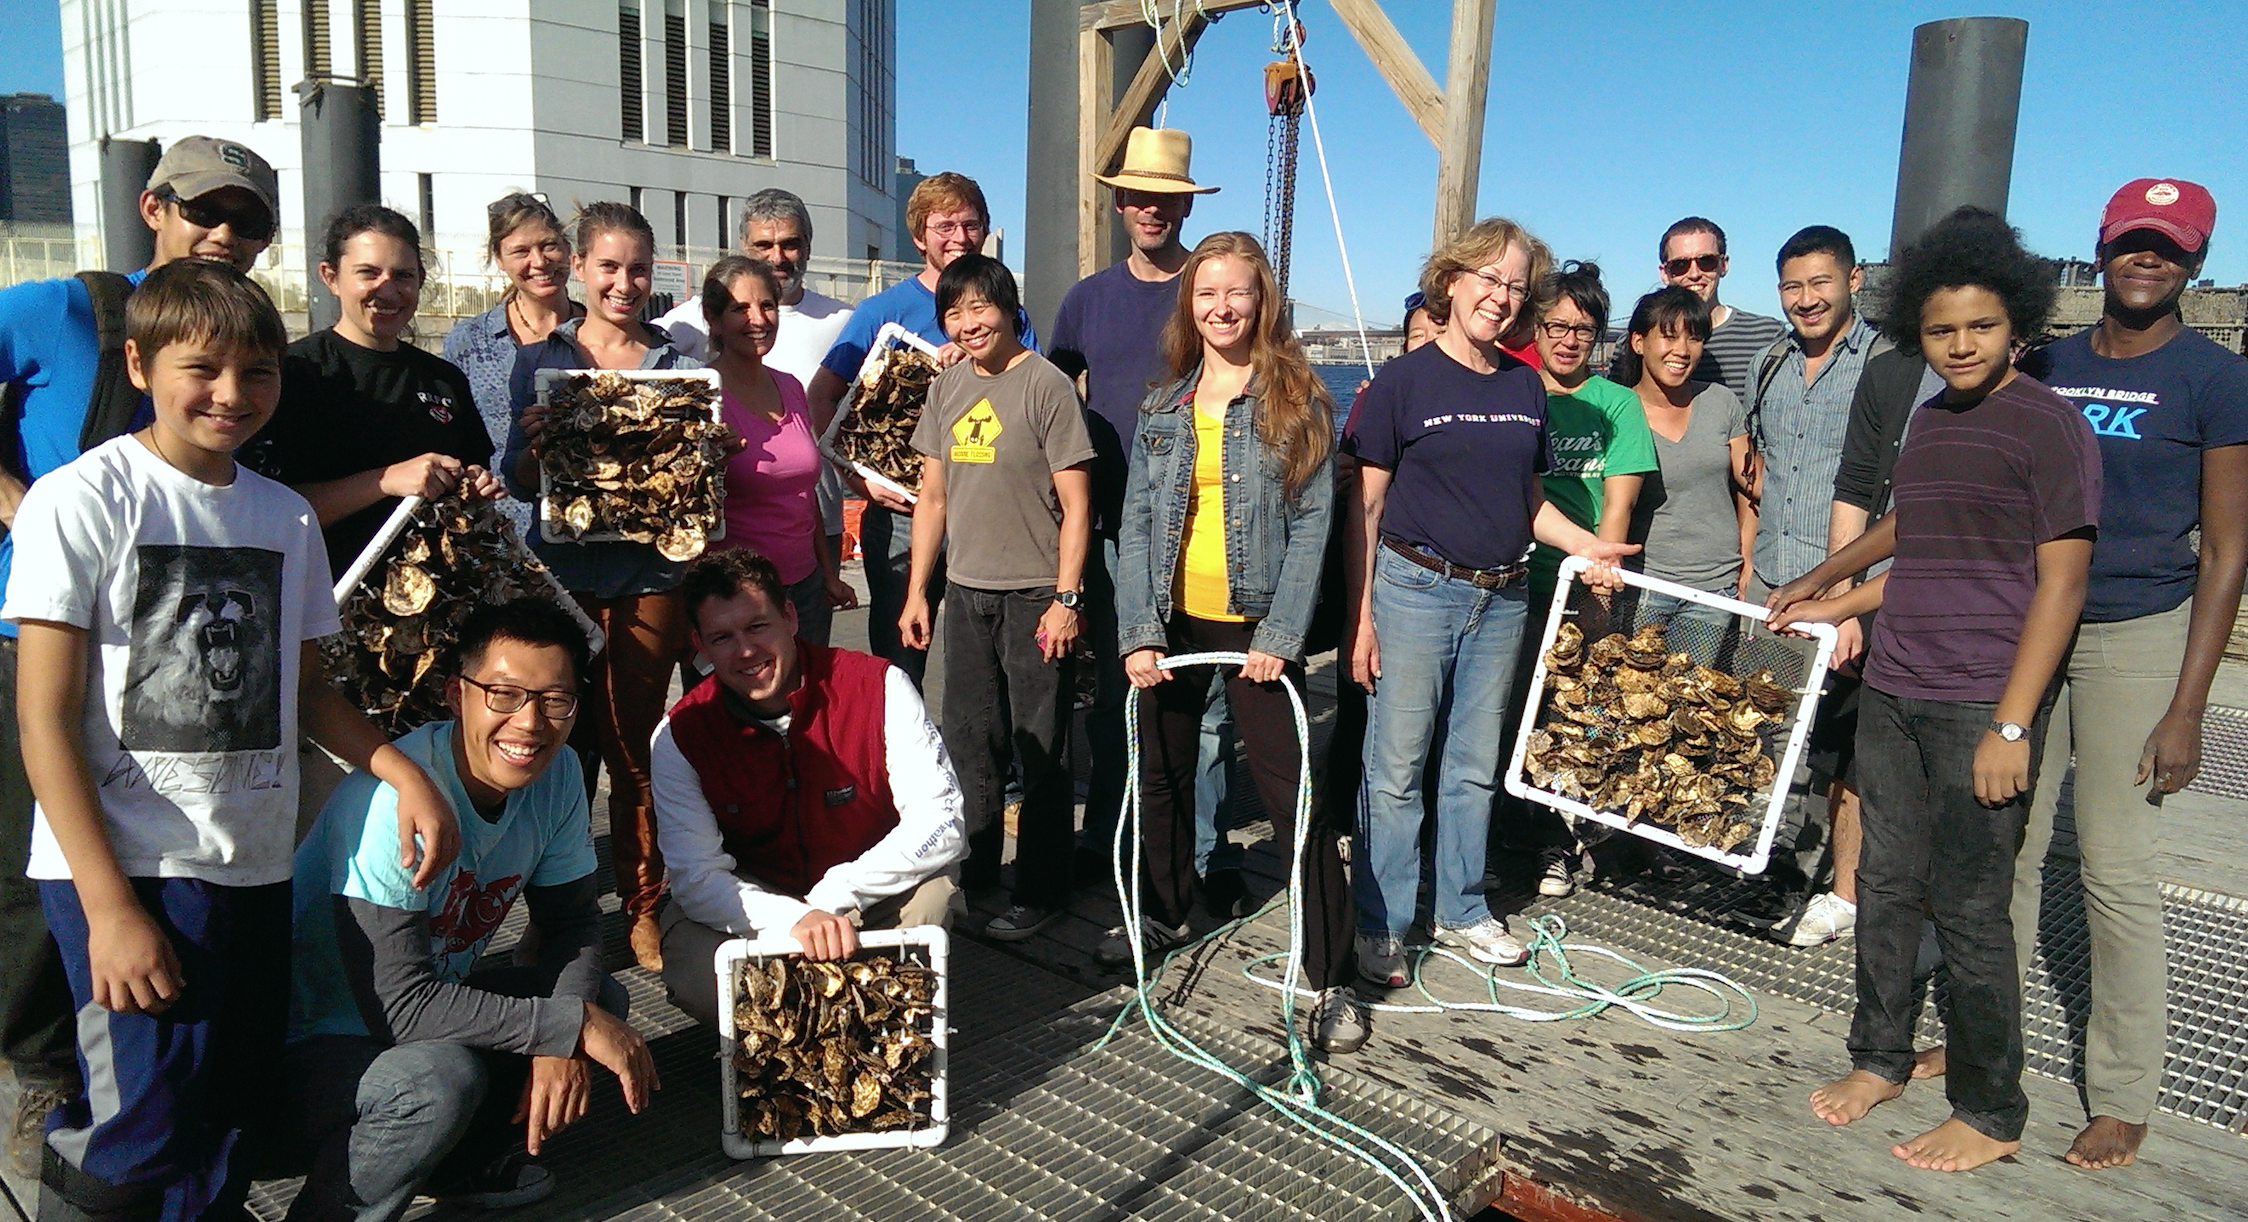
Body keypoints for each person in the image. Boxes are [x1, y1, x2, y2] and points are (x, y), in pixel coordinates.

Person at [5, 259, 455, 1221]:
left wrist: (399, 773)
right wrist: (108, 905)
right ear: (139, 363)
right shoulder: (80, 501)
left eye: (256, 371)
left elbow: (309, 692)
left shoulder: (283, 513)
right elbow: (41, 716)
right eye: (200, 368)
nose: (230, 393)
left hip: (251, 867)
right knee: (137, 1126)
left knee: (227, 1116)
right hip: (127, 870)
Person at [1771, 206, 2097, 1173]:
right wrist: (1817, 588)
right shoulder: (1934, 419)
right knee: (1885, 883)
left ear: (2019, 328)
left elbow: (2064, 582)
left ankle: (1991, 1109)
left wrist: (2012, 722)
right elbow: (1907, 525)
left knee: (1970, 904)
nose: (1960, 345)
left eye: (1981, 328)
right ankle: (1878, 1057)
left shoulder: (2049, 425)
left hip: (1977, 701)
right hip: (1898, 686)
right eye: (1943, 329)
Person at [0, 134, 280, 1179]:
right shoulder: (65, 309)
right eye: (207, 210)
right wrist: (22, 509)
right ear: (152, 205)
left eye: (250, 222)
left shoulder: (242, 346)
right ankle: (45, 1096)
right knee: (41, 893)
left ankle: (128, 1107)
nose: (226, 235)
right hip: (33, 640)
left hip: (170, 655)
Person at [2007, 178, 2248, 1170]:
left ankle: (2122, 1089)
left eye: (2170, 246)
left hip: (2136, 634)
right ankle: (1985, 1037)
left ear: (2192, 261)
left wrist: (2186, 707)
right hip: (2029, 628)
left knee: (2112, 864)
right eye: (2133, 241)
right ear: (2101, 247)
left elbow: (2227, 552)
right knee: (2004, 846)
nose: (2148, 259)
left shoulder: (2214, 377)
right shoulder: (2046, 361)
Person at [279, 600, 656, 1218]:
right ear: (457, 694)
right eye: (503, 695)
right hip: (307, 1051)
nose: (529, 724)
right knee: (440, 1079)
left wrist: (563, 1031)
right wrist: (561, 1027)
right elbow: (399, 1006)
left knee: (601, 999)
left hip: (419, 1014)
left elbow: (573, 923)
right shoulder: (390, 807)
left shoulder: (557, 772)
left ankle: (459, 1164)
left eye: (554, 700)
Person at [1344, 217, 1636, 988]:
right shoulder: (1401, 385)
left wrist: (1586, 545)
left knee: (1473, 766)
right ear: (1451, 281)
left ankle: (1463, 908)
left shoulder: (1522, 385)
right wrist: (1362, 616)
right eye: (1488, 279)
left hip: (1502, 596)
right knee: (1397, 767)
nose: (1500, 297)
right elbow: (1365, 511)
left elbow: (1531, 502)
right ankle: (1381, 922)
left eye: (1515, 286)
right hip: (1413, 590)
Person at [1102, 231, 1358, 1049]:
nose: (1221, 306)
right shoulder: (1162, 406)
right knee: (1165, 780)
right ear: (1191, 304)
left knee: (1295, 800)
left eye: (1236, 292)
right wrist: (1138, 631)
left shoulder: (1298, 400)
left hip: (1257, 631)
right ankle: (1168, 913)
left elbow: (1317, 525)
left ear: (1261, 301)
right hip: (1174, 622)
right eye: (1206, 292)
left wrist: (1281, 635)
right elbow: (1138, 524)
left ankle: (1331, 974)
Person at [501, 201, 704, 972]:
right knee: (553, 753)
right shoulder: (542, 358)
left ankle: (644, 908)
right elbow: (515, 479)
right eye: (609, 267)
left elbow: (693, 486)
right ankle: (555, 913)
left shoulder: (677, 364)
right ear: (580, 269)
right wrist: (532, 450)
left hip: (650, 574)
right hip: (562, 578)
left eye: (638, 268)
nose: (624, 282)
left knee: (633, 750)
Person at [655, 548, 966, 1026]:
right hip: (755, 900)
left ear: (790, 615)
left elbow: (941, 822)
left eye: (758, 626)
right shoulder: (679, 735)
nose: (745, 651)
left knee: (934, 896)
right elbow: (696, 877)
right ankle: (778, 1048)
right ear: (699, 643)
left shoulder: (879, 685)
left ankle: (880, 1025)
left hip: (865, 889)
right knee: (695, 969)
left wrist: (839, 893)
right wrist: (791, 920)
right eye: (722, 637)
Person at [898, 254, 1092, 942]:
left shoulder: (1046, 387)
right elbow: (932, 497)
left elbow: (1076, 505)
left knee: (1040, 748)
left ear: (1009, 308)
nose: (968, 322)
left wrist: (1067, 599)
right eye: (954, 311)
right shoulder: (947, 388)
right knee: (969, 742)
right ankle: (973, 874)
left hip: (1035, 594)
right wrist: (920, 590)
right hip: (968, 593)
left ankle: (1042, 890)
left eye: (980, 306)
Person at [1048, 125, 1217, 892]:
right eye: (1140, 196)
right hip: (1115, 526)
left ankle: (1195, 856)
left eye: (1167, 199)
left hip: (1206, 523)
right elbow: (1045, 396)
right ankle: (1106, 842)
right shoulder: (1086, 300)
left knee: (1204, 700)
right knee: (1119, 688)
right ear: (1119, 202)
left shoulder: (1210, 295)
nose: (1152, 210)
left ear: (1183, 209)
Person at [807, 173, 1038, 685]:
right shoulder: (882, 311)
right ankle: (894, 761)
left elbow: (1031, 403)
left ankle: (983, 764)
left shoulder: (1011, 317)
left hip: (986, 513)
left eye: (971, 224)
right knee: (897, 657)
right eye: (944, 226)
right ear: (919, 236)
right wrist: (856, 480)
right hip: (902, 517)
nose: (959, 237)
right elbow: (820, 395)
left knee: (984, 661)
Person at [1740, 226, 1886, 946]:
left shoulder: (1889, 365)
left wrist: (1849, 600)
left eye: (1821, 282)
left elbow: (1889, 494)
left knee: (1845, 750)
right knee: (1770, 734)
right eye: (1793, 286)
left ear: (1853, 281)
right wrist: (1749, 572)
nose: (1807, 299)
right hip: (1774, 583)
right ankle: (1774, 871)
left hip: (1852, 594)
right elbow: (1759, 475)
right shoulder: (1768, 363)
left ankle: (1844, 892)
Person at [252, 204, 501, 575]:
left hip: (439, 599)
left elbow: (471, 476)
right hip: (331, 597)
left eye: (403, 276)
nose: (387, 289)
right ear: (331, 276)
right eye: (368, 273)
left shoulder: (444, 378)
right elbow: (269, 511)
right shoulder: (295, 373)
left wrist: (474, 486)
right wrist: (385, 481)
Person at [1517, 261, 1656, 898]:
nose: (1569, 340)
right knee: (1508, 715)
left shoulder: (1618, 404)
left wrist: (1602, 580)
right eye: (1557, 326)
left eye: (1584, 329)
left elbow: (1619, 503)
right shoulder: (1512, 393)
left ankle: (1567, 842)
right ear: (1536, 327)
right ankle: (1519, 835)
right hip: (1512, 580)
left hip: (1584, 584)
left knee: (1573, 716)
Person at [654, 189, 854, 566]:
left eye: (790, 244)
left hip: (815, 524)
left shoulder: (842, 320)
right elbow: (635, 358)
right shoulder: (697, 315)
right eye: (764, 244)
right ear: (744, 246)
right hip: (734, 540)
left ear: (808, 247)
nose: (778, 258)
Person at [699, 255, 856, 643]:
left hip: (804, 588)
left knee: (805, 700)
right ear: (714, 319)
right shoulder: (700, 393)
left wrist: (828, 573)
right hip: (733, 596)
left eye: (767, 305)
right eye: (740, 308)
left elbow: (805, 495)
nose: (759, 319)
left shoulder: (790, 387)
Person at [1613, 287, 1753, 634]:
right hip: (1642, 586)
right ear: (1638, 342)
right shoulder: (1616, 410)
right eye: (1668, 336)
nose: (1681, 351)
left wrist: (1747, 561)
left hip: (1715, 589)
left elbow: (1751, 486)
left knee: (1697, 689)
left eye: (1694, 339)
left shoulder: (1721, 402)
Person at [444, 193, 583, 536]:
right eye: (520, 251)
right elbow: (451, 438)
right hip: (500, 531)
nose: (539, 262)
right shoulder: (469, 341)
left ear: (568, 249)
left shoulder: (602, 333)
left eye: (549, 246)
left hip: (586, 528)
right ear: (499, 259)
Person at [1655, 216, 1786, 400]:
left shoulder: (1766, 336)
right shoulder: (1639, 343)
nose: (1694, 274)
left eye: (1706, 261)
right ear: (1665, 273)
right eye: (1680, 265)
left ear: (1723, 265)